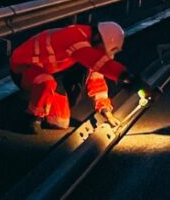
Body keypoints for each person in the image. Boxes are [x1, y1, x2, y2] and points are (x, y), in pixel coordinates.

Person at [9, 21, 153, 134]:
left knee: (59, 122)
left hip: (49, 69)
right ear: (97, 39)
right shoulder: (76, 38)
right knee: (45, 82)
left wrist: (106, 111)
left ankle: (46, 104)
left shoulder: (87, 46)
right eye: (102, 50)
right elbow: (102, 64)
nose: (101, 54)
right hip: (24, 67)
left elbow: (97, 79)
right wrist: (130, 78)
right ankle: (31, 117)